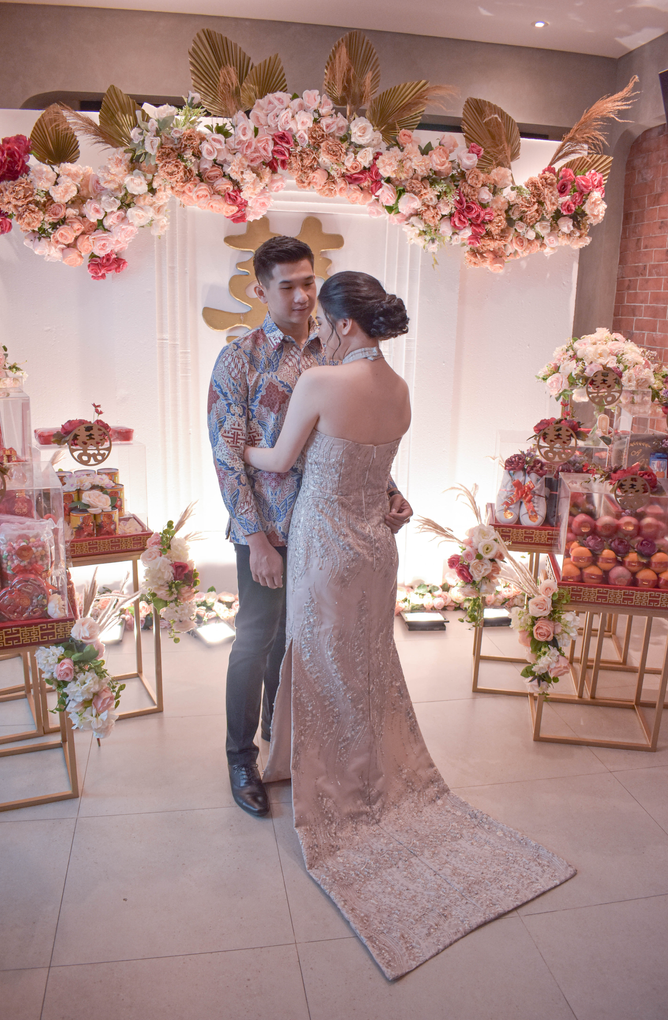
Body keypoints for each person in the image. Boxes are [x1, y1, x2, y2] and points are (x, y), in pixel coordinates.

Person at [243, 271, 575, 980]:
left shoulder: (322, 383)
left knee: (324, 663)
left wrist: (239, 446)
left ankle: (338, 792)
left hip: (327, 547)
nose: (322, 330)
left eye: (328, 321)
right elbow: (378, 476)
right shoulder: (399, 391)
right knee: (364, 665)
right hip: (377, 548)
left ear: (345, 324)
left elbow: (278, 460)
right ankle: (347, 772)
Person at [208, 239, 412, 819]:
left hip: (331, 531)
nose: (301, 297)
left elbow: (354, 445)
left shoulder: (339, 348)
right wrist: (254, 540)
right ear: (260, 291)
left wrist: (391, 493)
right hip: (271, 530)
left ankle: (290, 751)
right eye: (287, 286)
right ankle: (240, 757)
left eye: (308, 283)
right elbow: (227, 456)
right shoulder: (240, 358)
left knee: (300, 650)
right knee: (255, 642)